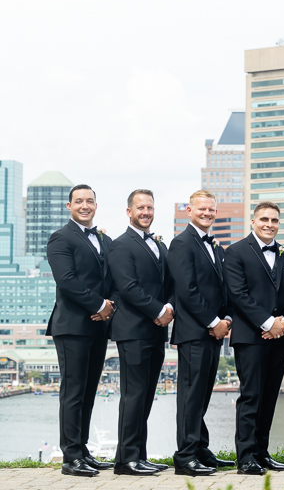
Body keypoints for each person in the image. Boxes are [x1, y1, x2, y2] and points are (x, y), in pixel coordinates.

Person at [225, 201, 284, 475]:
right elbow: (238, 294)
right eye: (264, 219)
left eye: (274, 220)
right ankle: (245, 457)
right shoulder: (235, 253)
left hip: (281, 338)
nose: (269, 224)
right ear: (253, 221)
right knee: (251, 397)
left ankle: (262, 452)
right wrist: (269, 322)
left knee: (270, 397)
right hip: (250, 337)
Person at [46, 184, 116, 477]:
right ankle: (70, 456)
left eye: (90, 201)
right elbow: (67, 281)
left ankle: (83, 450)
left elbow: (113, 277)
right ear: (69, 206)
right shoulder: (60, 238)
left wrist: (110, 305)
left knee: (88, 391)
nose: (84, 205)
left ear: (96, 205)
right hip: (72, 326)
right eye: (79, 201)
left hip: (99, 327)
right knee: (73, 391)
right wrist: (100, 304)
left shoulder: (105, 239)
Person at [108, 189, 173, 476]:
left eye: (150, 207)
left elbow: (169, 282)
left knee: (146, 395)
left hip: (156, 332)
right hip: (133, 330)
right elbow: (127, 287)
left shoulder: (160, 244)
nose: (146, 212)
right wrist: (160, 311)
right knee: (133, 395)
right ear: (129, 212)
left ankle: (140, 455)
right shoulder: (121, 245)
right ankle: (125, 460)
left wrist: (170, 306)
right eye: (140, 208)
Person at [168, 190, 233, 476]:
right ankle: (184, 456)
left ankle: (199, 448)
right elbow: (187, 290)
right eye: (202, 209)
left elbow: (224, 290)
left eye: (211, 209)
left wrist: (227, 319)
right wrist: (212, 322)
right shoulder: (181, 243)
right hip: (194, 332)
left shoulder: (217, 247)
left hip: (214, 332)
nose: (207, 213)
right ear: (189, 211)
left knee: (204, 394)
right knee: (191, 395)